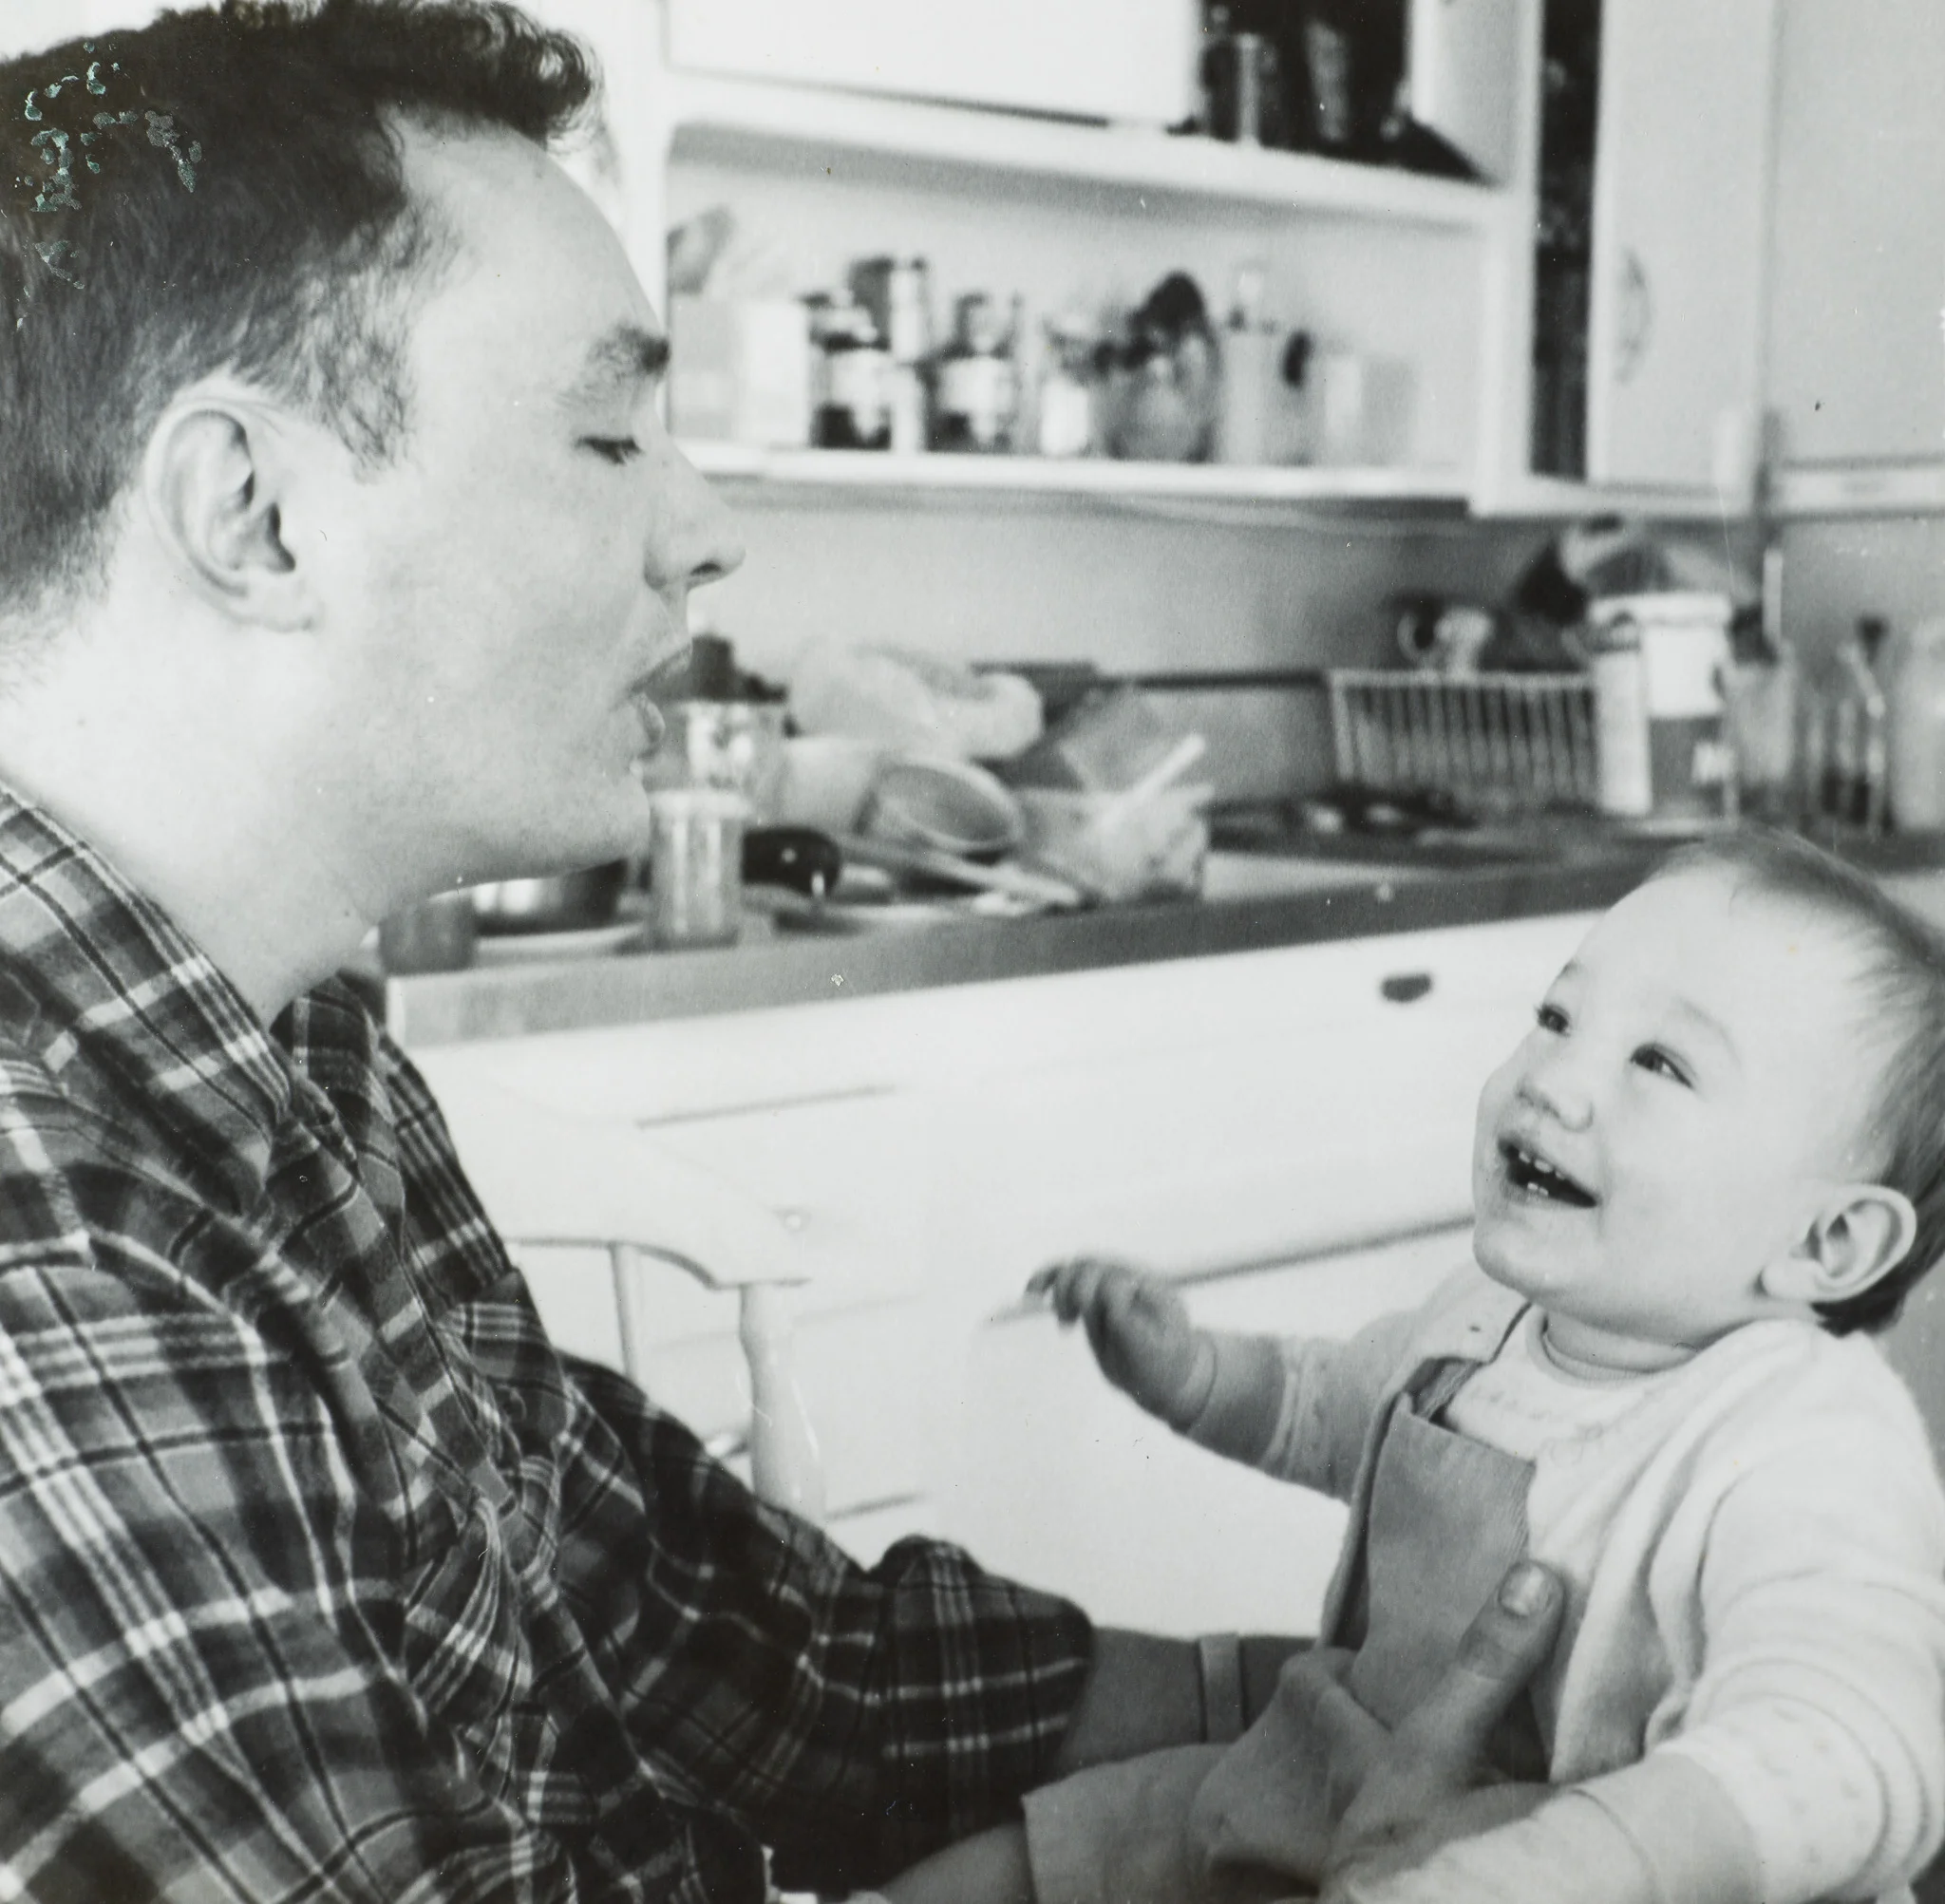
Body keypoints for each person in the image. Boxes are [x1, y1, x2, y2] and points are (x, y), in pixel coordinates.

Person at [0, 3, 1563, 1898]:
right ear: (252, 516)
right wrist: (1159, 1835)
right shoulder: (42, 1254)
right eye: (604, 436)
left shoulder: (298, 1045)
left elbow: (733, 1652)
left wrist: (1350, 1720)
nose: (704, 528)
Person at [898, 829, 1945, 1904]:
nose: (1553, 1079)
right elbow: (1331, 1409)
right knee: (1028, 1857)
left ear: (1829, 1243)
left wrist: (1554, 1869)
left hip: (1560, 1877)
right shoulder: (1487, 1316)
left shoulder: (1805, 1441)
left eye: (1659, 1063)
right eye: (1557, 1017)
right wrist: (1198, 1375)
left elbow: (1852, 1741)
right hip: (1337, 1783)